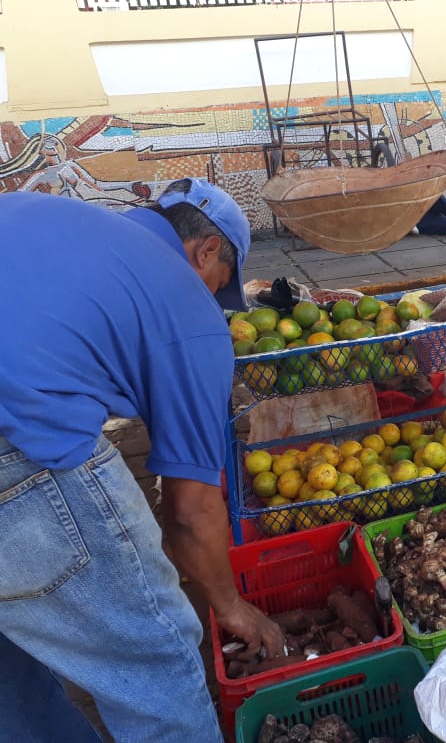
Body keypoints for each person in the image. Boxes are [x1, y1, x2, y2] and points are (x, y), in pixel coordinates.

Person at [0, 179, 284, 741]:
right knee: (156, 663)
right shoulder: (184, 300)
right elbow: (188, 510)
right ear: (206, 250)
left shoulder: (49, 216)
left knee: (13, 680)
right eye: (218, 286)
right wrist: (230, 608)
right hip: (20, 461)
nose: (211, 306)